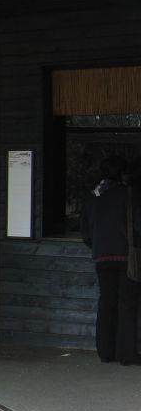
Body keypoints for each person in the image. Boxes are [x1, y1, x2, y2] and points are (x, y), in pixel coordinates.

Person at [80, 155, 140, 365]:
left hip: (101, 257)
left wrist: (98, 246)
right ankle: (127, 354)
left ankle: (106, 352)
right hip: (126, 256)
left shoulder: (92, 196)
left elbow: (86, 234)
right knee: (127, 304)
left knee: (106, 301)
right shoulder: (128, 194)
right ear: (121, 173)